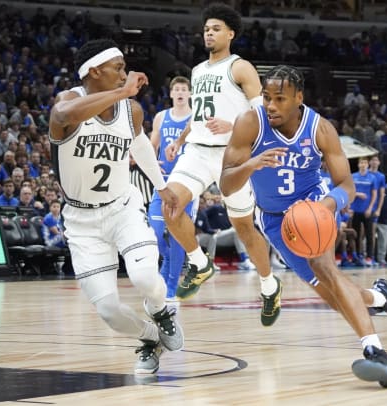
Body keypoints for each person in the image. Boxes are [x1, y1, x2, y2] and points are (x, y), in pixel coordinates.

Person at [219, 65, 387, 387]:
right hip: (273, 219)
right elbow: (226, 185)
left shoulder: (320, 129)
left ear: (298, 98)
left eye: (279, 99)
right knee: (329, 293)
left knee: (325, 269)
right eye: (267, 97)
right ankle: (382, 298)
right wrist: (251, 164)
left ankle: (375, 351)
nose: (270, 105)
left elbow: (347, 186)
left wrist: (323, 207)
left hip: (314, 205)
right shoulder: (250, 123)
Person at [48, 38, 183, 374]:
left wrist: (162, 187)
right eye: (119, 67)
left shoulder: (131, 111)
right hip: (81, 221)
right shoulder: (67, 104)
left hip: (122, 207)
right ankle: (149, 338)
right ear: (94, 71)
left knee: (144, 275)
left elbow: (139, 145)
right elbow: (63, 115)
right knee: (108, 310)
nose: (125, 74)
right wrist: (121, 92)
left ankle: (161, 310)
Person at [162, 3, 281, 326]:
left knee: (243, 227)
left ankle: (269, 285)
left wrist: (232, 126)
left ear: (230, 33)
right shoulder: (198, 71)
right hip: (198, 150)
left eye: (215, 29)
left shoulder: (241, 68)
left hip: (232, 155)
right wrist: (179, 138)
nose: (209, 33)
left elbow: (262, 115)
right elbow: (200, 114)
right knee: (170, 205)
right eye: (206, 29)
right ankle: (200, 263)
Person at [147, 76, 196, 301]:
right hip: (163, 182)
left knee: (179, 236)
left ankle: (171, 285)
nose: (179, 93)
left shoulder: (195, 119)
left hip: (186, 184)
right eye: (176, 89)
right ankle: (166, 260)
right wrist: (150, 159)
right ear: (170, 93)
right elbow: (151, 144)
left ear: (189, 94)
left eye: (183, 90)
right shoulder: (161, 117)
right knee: (154, 232)